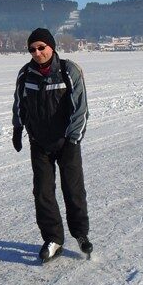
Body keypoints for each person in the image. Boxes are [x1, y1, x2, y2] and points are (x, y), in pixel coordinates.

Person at [12, 28, 93, 262]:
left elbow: (81, 108)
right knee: (42, 193)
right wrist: (18, 128)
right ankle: (53, 238)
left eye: (41, 47)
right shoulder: (25, 74)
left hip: (66, 141)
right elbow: (19, 104)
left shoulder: (69, 70)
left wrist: (73, 138)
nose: (37, 53)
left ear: (51, 47)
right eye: (32, 49)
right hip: (39, 143)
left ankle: (81, 234)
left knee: (73, 190)